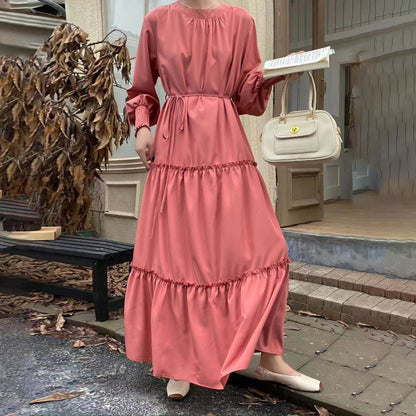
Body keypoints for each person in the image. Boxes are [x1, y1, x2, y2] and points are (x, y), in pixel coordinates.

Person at [124, 0, 322, 400]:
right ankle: (178, 362)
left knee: (268, 249)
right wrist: (142, 126)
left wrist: (276, 75)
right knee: (180, 257)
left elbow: (246, 98)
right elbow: (142, 88)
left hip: (227, 148)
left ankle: (271, 359)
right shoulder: (157, 21)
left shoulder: (240, 21)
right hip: (177, 151)